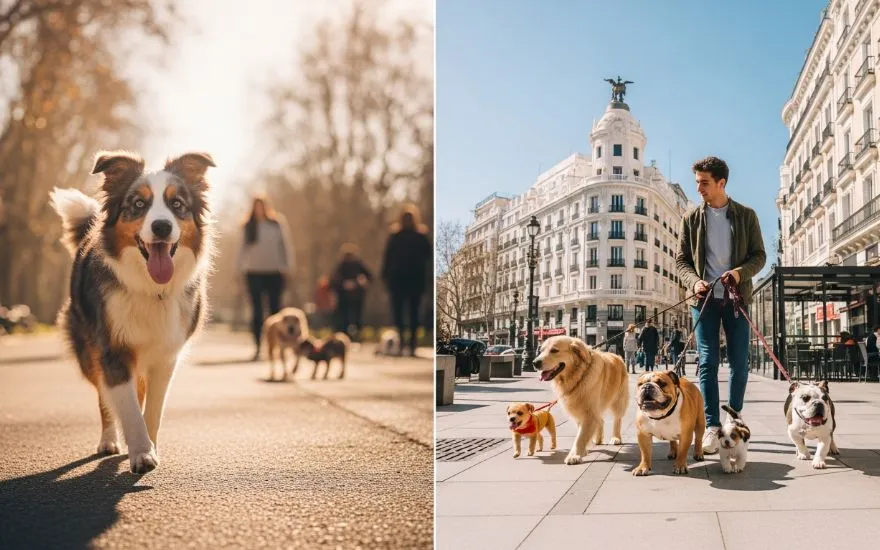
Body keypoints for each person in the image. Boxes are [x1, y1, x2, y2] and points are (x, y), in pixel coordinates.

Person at [676, 156, 766, 455]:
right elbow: (682, 261)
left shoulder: (746, 215)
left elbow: (759, 256)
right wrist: (693, 282)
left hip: (736, 299)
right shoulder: (691, 219)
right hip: (704, 301)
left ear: (721, 183)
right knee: (708, 362)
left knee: (741, 363)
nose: (699, 188)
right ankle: (712, 427)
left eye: (704, 182)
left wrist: (740, 273)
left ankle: (734, 417)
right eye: (697, 182)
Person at [237, 195, 295, 361]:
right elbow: (241, 250)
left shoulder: (277, 224)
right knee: (257, 311)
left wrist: (287, 266)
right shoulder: (248, 226)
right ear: (253, 209)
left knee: (276, 311)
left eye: (261, 206)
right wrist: (239, 269)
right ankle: (257, 347)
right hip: (253, 272)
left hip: (274, 272)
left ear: (266, 207)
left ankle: (279, 346)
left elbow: (286, 245)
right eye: (256, 207)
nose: (259, 210)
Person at [381, 204, 432, 356]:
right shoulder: (395, 236)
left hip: (414, 279)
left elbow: (428, 259)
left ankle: (411, 344)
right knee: (400, 313)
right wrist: (386, 276)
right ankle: (404, 342)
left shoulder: (421, 236)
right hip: (400, 279)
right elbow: (388, 258)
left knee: (413, 313)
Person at [330, 243, 372, 341]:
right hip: (344, 297)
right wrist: (343, 284)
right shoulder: (340, 266)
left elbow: (369, 277)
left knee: (357, 318)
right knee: (344, 318)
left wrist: (361, 282)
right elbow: (334, 281)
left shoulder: (359, 265)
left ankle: (357, 337)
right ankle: (345, 337)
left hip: (357, 296)